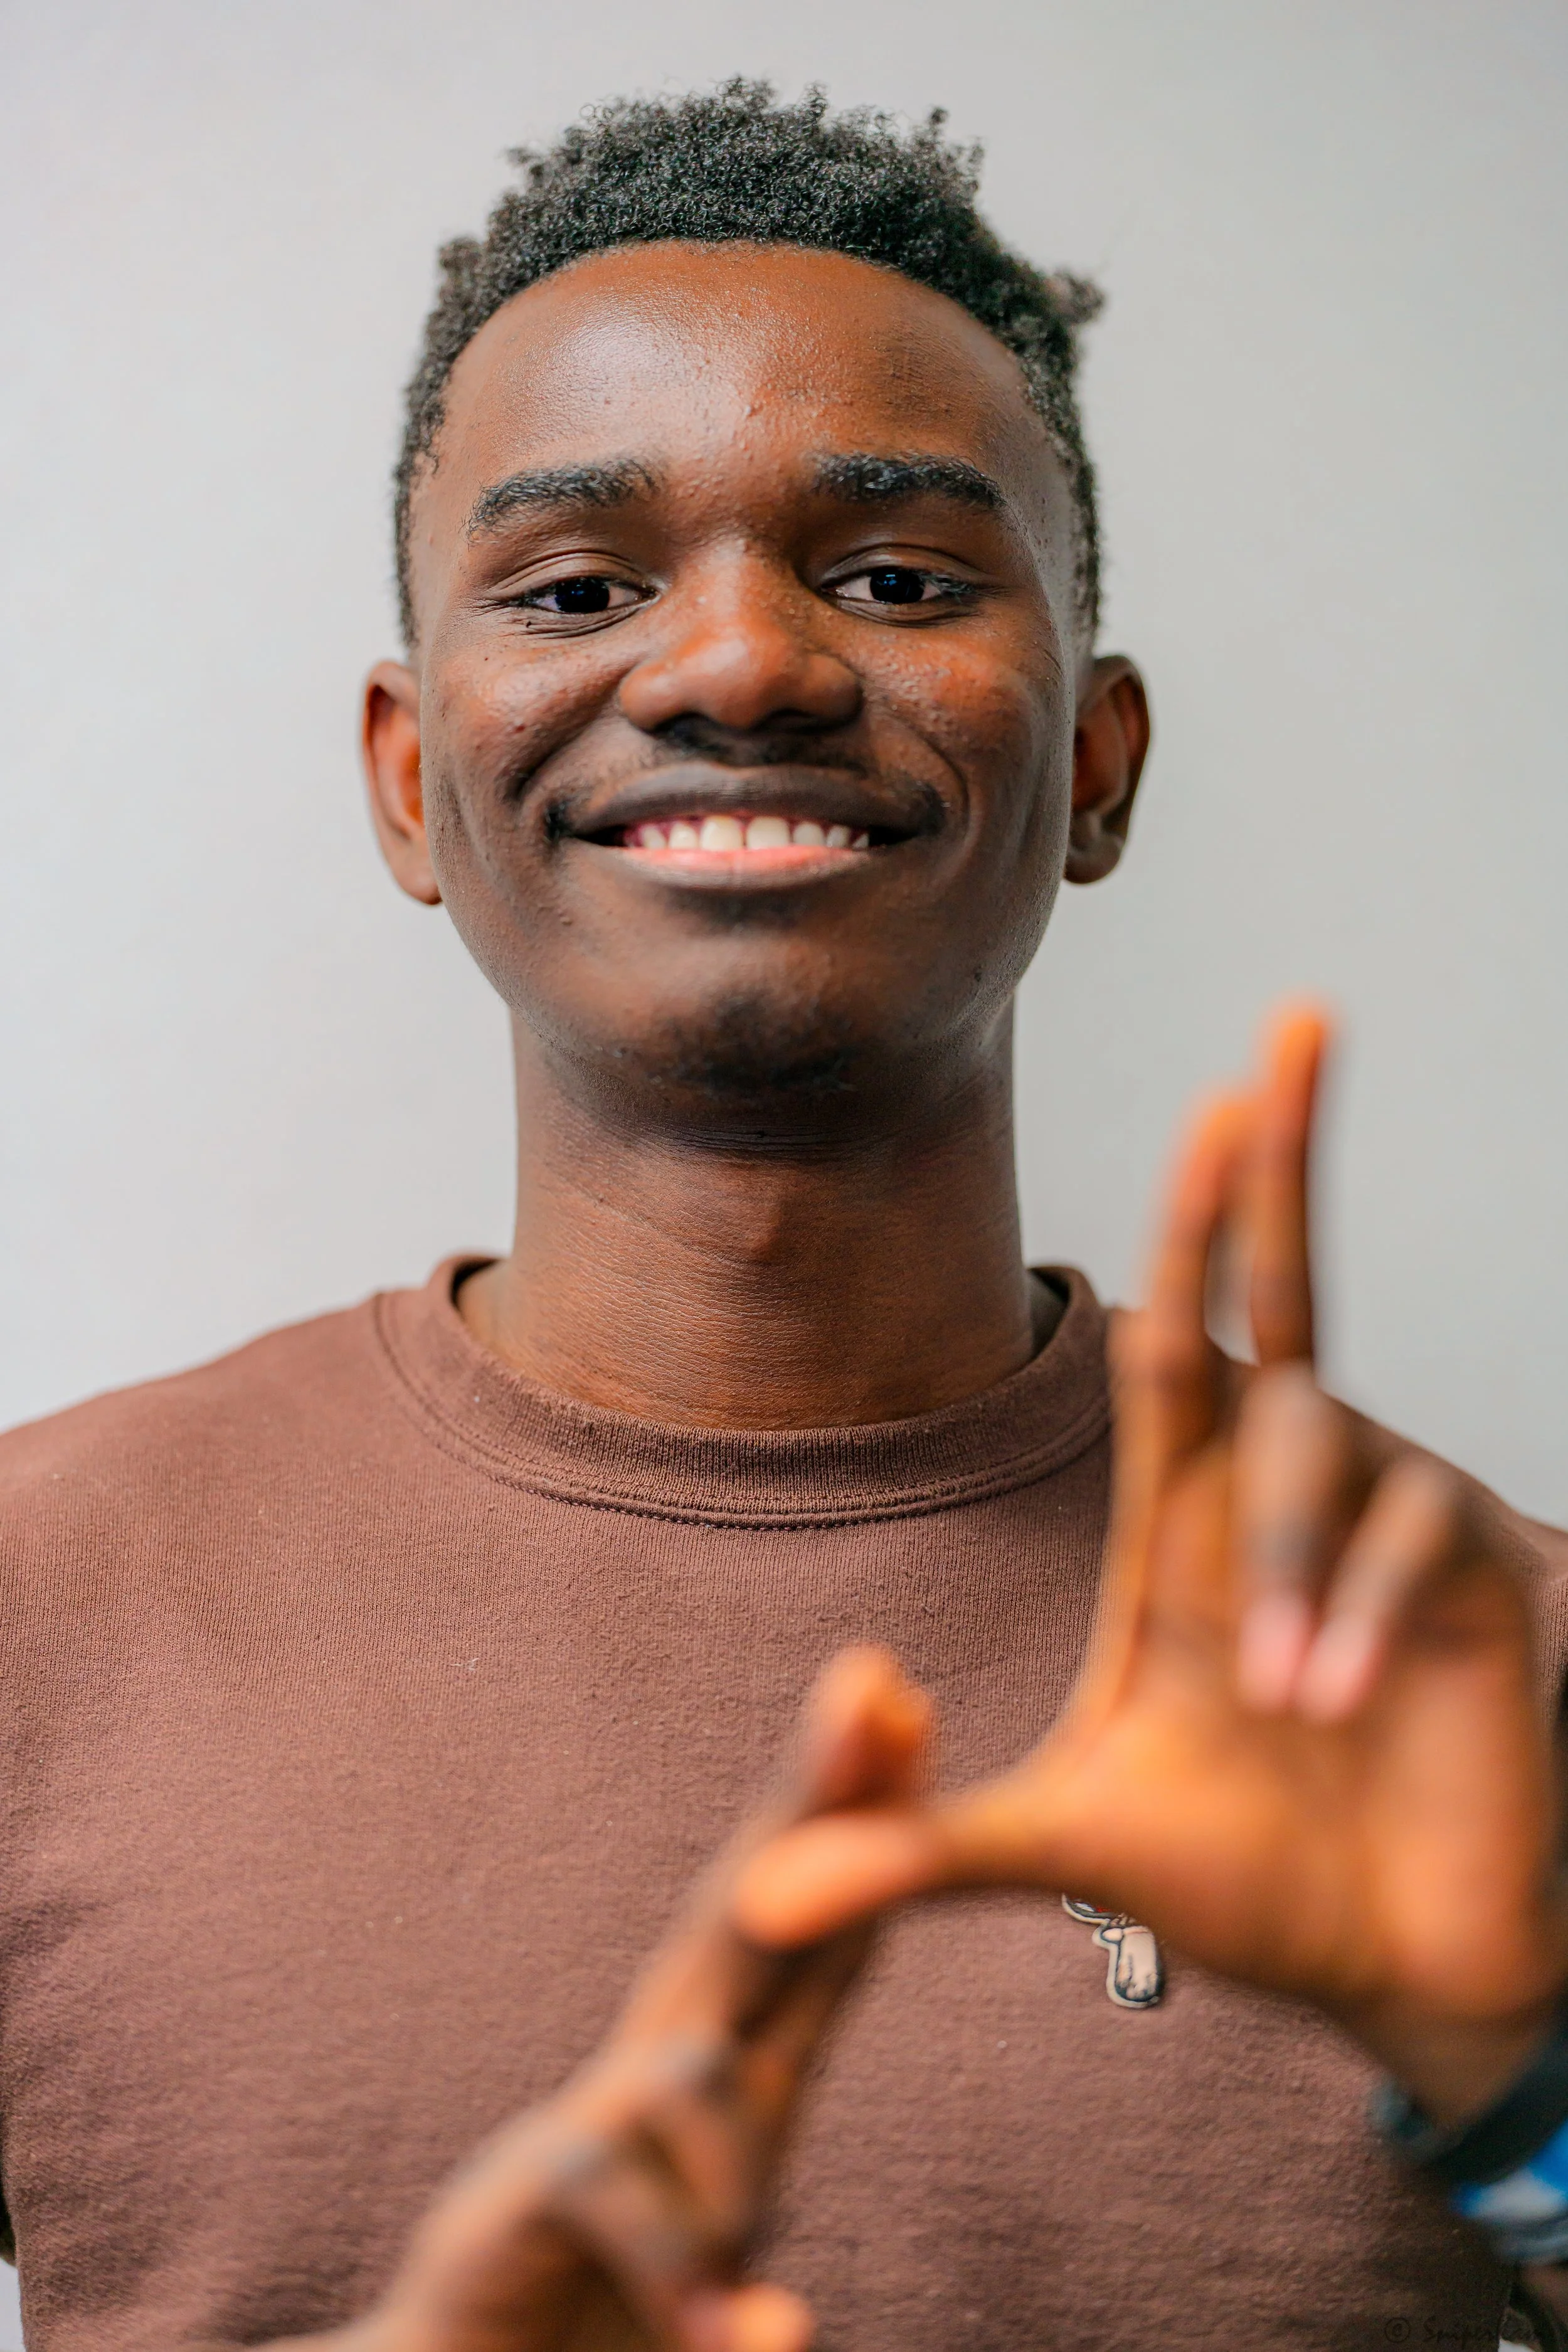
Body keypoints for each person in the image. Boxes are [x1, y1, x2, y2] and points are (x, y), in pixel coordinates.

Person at [1, 79, 1563, 2350]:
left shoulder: (1479, 1677)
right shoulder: (35, 1613)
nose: (737, 664)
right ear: (410, 778)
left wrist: (1516, 2095)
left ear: (1099, 765)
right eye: (575, 587)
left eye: (897, 576)